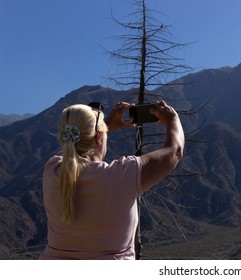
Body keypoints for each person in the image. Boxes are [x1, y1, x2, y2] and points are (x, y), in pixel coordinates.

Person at [39, 100, 184, 260]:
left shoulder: (52, 170)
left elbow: (73, 145)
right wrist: (172, 119)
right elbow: (175, 151)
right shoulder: (121, 176)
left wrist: (104, 127)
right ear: (99, 137)